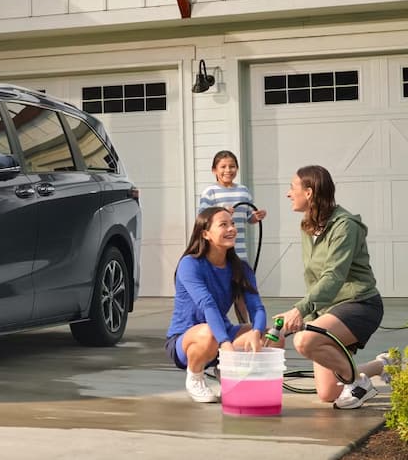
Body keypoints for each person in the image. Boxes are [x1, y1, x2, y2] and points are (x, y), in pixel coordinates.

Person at [274, 165, 393, 409]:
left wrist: (299, 310)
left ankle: (360, 386)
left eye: (292, 187)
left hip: (359, 305)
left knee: (304, 341)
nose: (288, 193)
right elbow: (314, 278)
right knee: (328, 393)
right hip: (329, 312)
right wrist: (311, 315)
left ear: (309, 192)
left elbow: (333, 276)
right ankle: (382, 366)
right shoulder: (307, 227)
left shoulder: (345, 226)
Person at [165, 207, 268, 403]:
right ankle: (195, 378)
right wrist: (225, 343)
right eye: (223, 225)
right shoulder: (190, 264)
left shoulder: (241, 268)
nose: (231, 229)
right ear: (205, 234)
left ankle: (225, 372)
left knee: (273, 336)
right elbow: (207, 305)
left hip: (221, 336)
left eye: (232, 224)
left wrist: (256, 333)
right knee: (207, 332)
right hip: (187, 341)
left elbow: (257, 308)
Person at [198, 150, 267, 262]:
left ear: (237, 168)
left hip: (239, 249)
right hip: (218, 250)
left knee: (239, 277)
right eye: (223, 167)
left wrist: (256, 216)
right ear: (214, 170)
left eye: (232, 166)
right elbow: (203, 219)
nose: (228, 170)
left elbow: (249, 218)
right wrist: (222, 213)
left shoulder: (243, 191)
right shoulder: (210, 192)